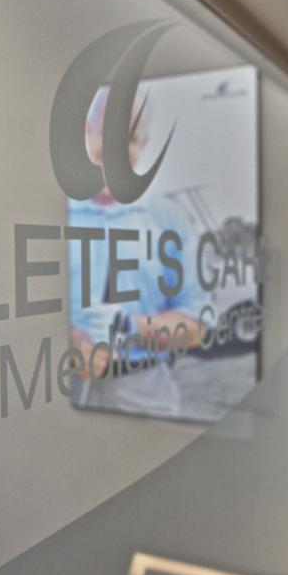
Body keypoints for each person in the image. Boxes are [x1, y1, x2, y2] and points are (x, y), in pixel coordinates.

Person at [68, 86, 208, 416]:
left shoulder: (170, 220)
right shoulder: (49, 212)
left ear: (144, 145)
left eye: (129, 138)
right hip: (58, 394)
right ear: (87, 133)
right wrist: (69, 339)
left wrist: (123, 326)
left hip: (145, 395)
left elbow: (196, 326)